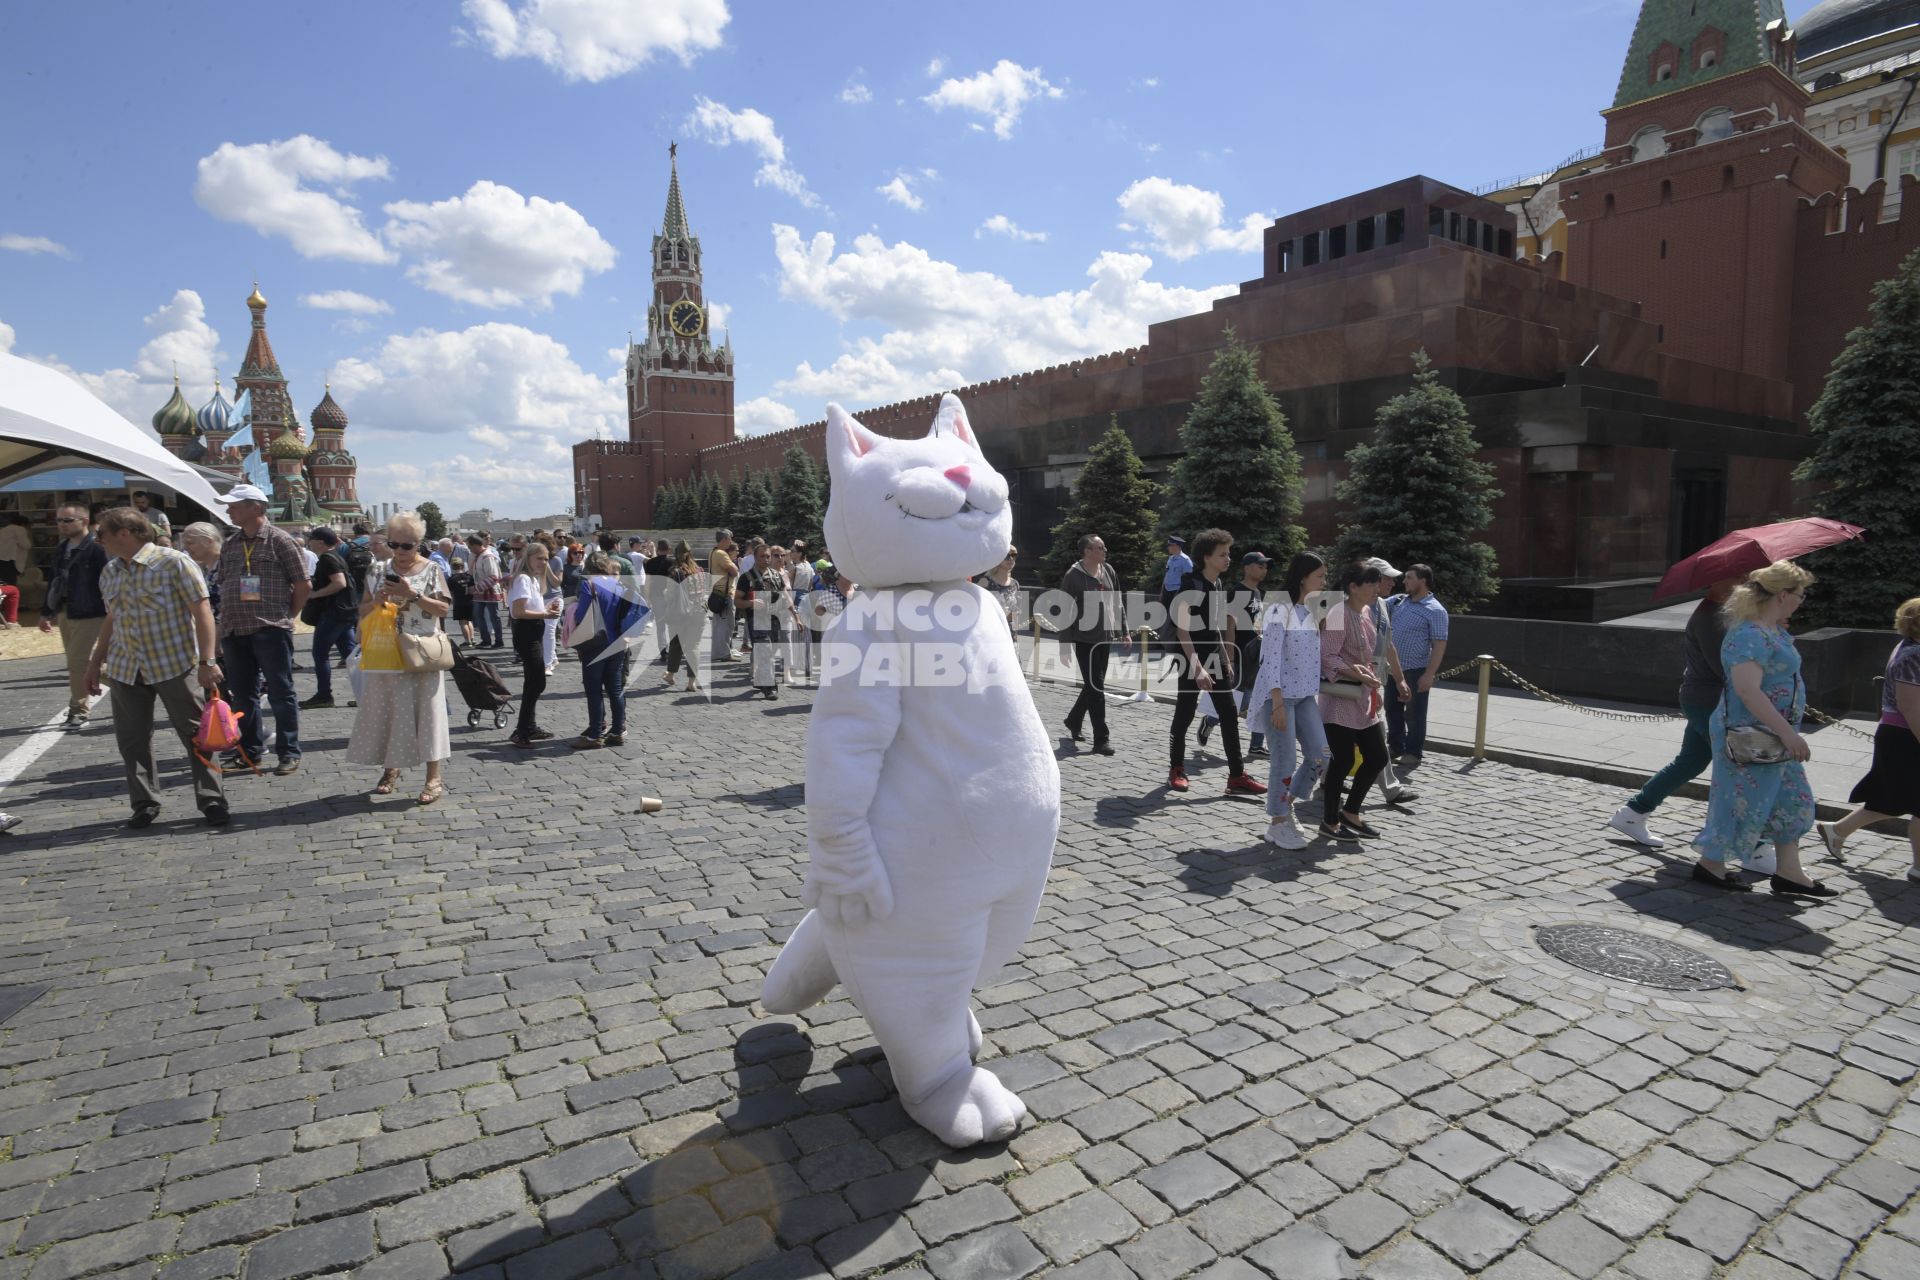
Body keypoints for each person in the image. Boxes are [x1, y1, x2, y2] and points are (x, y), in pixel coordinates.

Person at [1690, 560, 1834, 896]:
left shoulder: (1771, 629)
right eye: (1800, 594)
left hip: (1772, 733)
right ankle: (1711, 864)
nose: (1802, 600)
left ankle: (1789, 872)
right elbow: (1747, 690)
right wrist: (1787, 732)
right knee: (1741, 801)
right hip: (1750, 735)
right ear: (1783, 595)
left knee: (1793, 800)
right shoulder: (1749, 634)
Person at [82, 507, 227, 828]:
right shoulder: (110, 571)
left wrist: (207, 661)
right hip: (126, 667)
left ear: (124, 534)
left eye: (101, 533)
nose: (98, 539)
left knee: (196, 736)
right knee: (131, 740)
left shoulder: (174, 562)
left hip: (173, 663)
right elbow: (112, 619)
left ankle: (212, 799)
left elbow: (202, 613)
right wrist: (94, 663)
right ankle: (144, 803)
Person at [1609, 578, 1739, 849]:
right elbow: (1724, 667)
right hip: (1709, 701)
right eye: (1740, 577)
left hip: (1705, 699)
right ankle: (1744, 844)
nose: (1745, 582)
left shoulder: (1721, 612)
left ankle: (1632, 813)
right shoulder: (1710, 617)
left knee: (1690, 762)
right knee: (1735, 768)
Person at [347, 513, 453, 804]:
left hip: (421, 652)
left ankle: (434, 776)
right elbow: (362, 610)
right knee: (390, 711)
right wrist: (377, 601)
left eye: (407, 546)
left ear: (419, 544)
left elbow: (443, 610)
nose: (399, 551)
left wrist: (413, 595)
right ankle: (391, 768)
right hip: (386, 651)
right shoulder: (376, 569)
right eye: (394, 544)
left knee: (428, 714)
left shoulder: (432, 570)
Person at [1817, 597, 1920, 884]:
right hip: (1905, 736)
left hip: (1901, 735)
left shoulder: (1912, 648)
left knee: (1890, 798)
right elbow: (1911, 707)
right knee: (1905, 799)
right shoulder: (1913, 655)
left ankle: (1837, 831)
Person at [212, 483, 309, 775]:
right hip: (234, 630)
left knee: (281, 692)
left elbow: (303, 585)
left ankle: (289, 751)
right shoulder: (230, 544)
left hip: (270, 629)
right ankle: (250, 751)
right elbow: (223, 583)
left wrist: (285, 616)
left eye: (235, 505)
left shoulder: (280, 541)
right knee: (242, 696)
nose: (228, 510)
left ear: (256, 507)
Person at [1168, 529, 1267, 798]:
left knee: (1228, 714)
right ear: (1206, 557)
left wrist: (1225, 656)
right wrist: (1198, 667)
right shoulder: (1191, 585)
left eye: (1228, 553)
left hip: (1215, 657)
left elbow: (1214, 628)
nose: (1228, 559)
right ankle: (1176, 768)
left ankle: (1236, 776)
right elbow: (1182, 631)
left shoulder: (1218, 585)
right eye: (1222, 554)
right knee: (1185, 713)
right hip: (1191, 659)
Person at [1252, 553, 1334, 850]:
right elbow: (1270, 657)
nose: (1324, 582)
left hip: (1304, 696)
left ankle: (1288, 806)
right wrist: (1275, 703)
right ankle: (1277, 823)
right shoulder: (1278, 608)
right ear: (1303, 576)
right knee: (1284, 760)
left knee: (1321, 755)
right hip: (1279, 697)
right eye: (1320, 576)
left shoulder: (1310, 610)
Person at [1320, 562, 1391, 841]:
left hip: (1363, 697)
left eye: (1377, 583)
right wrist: (1355, 672)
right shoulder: (1339, 612)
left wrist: (1375, 687)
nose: (1377, 588)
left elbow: (1368, 656)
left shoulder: (1366, 612)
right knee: (1343, 760)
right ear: (1353, 587)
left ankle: (1351, 812)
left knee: (1377, 757)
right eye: (1371, 583)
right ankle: (1329, 821)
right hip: (1340, 698)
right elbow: (1328, 656)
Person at [38, 503, 109, 726]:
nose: (62, 525)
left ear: (84, 521)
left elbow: (107, 581)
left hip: (91, 611)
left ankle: (78, 709)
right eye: (58, 520)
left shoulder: (97, 548)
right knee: (78, 661)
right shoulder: (62, 547)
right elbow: (55, 581)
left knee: (77, 661)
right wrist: (46, 611)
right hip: (66, 610)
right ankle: (132, 684)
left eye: (67, 520)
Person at [1201, 552, 1273, 757]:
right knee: (1237, 702)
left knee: (1260, 699)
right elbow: (1229, 625)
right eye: (1260, 565)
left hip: (1257, 655)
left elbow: (1257, 623)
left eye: (1265, 566)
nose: (1264, 569)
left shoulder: (1259, 592)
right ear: (1247, 567)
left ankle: (1256, 744)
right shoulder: (1237, 591)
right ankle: (1210, 720)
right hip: (1240, 655)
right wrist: (1230, 657)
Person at [1360, 557, 1417, 806]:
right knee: (1375, 736)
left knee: (1351, 738)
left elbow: (1388, 642)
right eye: (1387, 578)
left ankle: (1328, 778)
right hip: (1354, 682)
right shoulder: (1347, 605)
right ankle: (1391, 789)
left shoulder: (1382, 604)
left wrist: (1400, 678)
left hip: (1373, 681)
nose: (1393, 583)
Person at [1060, 535, 1124, 755]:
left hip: (1104, 638)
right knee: (1096, 687)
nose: (1105, 549)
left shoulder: (1108, 570)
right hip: (1084, 640)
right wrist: (1064, 644)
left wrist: (1123, 631)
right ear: (1087, 551)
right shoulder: (1073, 576)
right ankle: (1101, 739)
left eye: (1104, 546)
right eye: (1100, 547)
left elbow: (1117, 601)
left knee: (1093, 684)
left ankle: (1073, 719)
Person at [1384, 563, 1448, 766]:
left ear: (1423, 580)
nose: (1404, 582)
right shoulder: (1399, 601)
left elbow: (1439, 645)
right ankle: (1395, 747)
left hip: (1416, 670)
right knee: (1392, 710)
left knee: (1414, 714)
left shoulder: (1435, 610)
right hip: (1393, 669)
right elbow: (1372, 602)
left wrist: (1429, 675)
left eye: (1409, 578)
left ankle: (1413, 753)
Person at [570, 553, 633, 747]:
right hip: (617, 641)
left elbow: (581, 615)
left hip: (595, 643)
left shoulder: (590, 585)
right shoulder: (619, 585)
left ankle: (595, 734)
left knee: (594, 690)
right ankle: (618, 730)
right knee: (615, 689)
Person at [506, 542, 563, 748]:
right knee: (537, 681)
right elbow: (518, 611)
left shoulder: (534, 580)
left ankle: (528, 726)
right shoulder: (522, 579)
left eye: (546, 559)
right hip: (526, 632)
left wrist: (547, 607)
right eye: (539, 558)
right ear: (528, 558)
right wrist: (546, 613)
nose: (543, 563)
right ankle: (522, 729)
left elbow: (531, 607)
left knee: (533, 681)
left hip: (533, 629)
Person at [300, 527, 358, 709]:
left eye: (312, 539)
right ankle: (365, 692)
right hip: (345, 612)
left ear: (320, 542)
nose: (309, 542)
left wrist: (315, 594)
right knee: (351, 656)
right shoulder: (337, 555)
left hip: (333, 613)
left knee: (320, 654)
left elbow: (339, 582)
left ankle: (324, 695)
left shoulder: (327, 558)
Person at [658, 540, 701, 692]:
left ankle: (670, 674)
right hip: (698, 613)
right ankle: (691, 681)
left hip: (680, 613)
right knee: (693, 646)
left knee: (676, 643)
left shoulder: (675, 571)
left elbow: (669, 595)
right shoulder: (699, 570)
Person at [709, 529, 740, 663]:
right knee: (726, 626)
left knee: (719, 625)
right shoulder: (722, 554)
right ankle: (723, 653)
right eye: (730, 539)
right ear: (724, 539)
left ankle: (718, 652)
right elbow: (734, 571)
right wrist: (734, 565)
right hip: (724, 594)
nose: (731, 542)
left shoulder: (713, 552)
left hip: (717, 592)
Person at [468, 534, 503, 649]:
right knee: (478, 615)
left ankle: (499, 640)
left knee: (494, 617)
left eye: (470, 546)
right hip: (480, 592)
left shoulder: (487, 556)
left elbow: (494, 577)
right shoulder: (477, 556)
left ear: (476, 545)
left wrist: (477, 587)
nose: (469, 549)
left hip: (490, 591)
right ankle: (486, 639)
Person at [978, 546, 1020, 632]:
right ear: (998, 558)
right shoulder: (985, 582)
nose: (1011, 558)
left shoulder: (1015, 584)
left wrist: (1014, 614)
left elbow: (1017, 614)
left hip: (1011, 635)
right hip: (991, 634)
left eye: (1014, 555)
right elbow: (976, 610)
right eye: (1007, 556)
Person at [447, 550, 477, 645]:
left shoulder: (451, 579)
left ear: (452, 566)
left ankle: (467, 642)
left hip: (459, 601)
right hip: (470, 600)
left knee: (463, 622)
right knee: (469, 620)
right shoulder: (469, 577)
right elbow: (472, 590)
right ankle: (472, 639)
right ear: (462, 565)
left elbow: (451, 593)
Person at [0, 513, 31, 594]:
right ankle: (10, 606)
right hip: (10, 562)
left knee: (3, 586)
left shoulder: (3, 529)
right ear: (24, 524)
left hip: (2, 560)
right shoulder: (20, 529)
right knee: (11, 586)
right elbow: (26, 545)